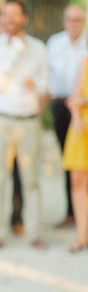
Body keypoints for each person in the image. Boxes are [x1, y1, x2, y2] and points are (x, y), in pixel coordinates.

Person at [0, 0, 48, 249]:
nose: (9, 19)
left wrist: (34, 86)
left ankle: (33, 232)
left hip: (28, 119)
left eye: (14, 15)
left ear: (24, 18)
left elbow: (47, 85)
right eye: (5, 14)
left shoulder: (37, 48)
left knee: (30, 179)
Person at [47, 4, 87, 228]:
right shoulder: (55, 43)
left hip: (85, 109)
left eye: (79, 20)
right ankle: (72, 212)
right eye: (71, 19)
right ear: (64, 21)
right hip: (61, 105)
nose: (74, 24)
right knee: (69, 162)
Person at [63, 57, 88, 252]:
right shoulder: (85, 62)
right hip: (82, 126)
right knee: (78, 180)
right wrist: (77, 116)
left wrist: (84, 101)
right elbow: (76, 93)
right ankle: (81, 234)